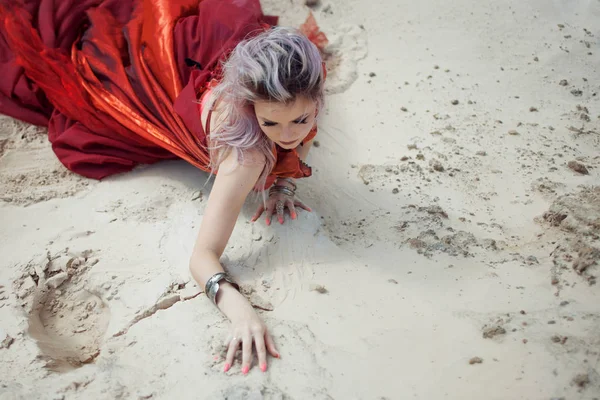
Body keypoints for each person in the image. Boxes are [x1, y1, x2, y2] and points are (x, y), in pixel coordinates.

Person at [0, 0, 327, 374]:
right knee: (97, 68)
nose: (288, 136)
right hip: (164, 77)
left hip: (206, 52)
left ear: (316, 98)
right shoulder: (246, 158)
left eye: (301, 119)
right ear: (250, 108)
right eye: (270, 124)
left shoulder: (301, 86)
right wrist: (241, 314)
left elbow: (295, 128)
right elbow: (202, 257)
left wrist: (283, 186)